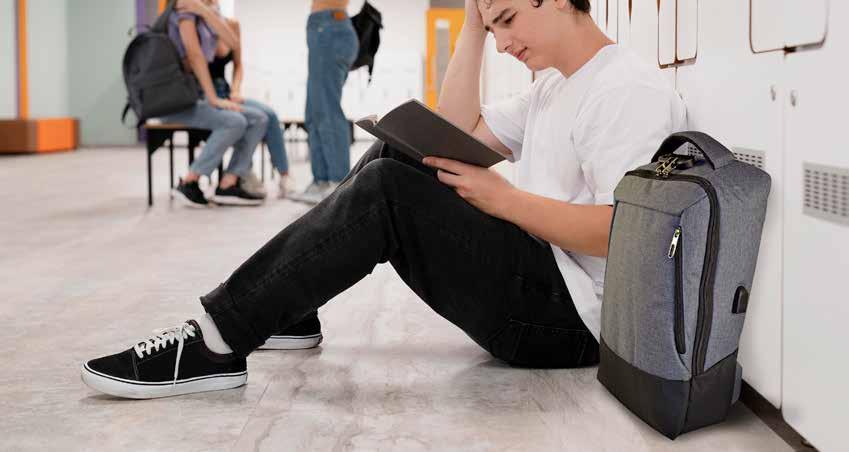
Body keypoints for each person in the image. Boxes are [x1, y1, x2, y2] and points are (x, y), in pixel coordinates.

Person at [81, 0, 687, 399]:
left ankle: (217, 341)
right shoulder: (554, 85)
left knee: (387, 192)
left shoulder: (625, 89)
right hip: (544, 277)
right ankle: (287, 309)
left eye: (506, 20)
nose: (503, 43)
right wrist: (472, 25)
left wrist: (502, 200)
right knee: (403, 152)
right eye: (494, 27)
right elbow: (453, 135)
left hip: (571, 323)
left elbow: (623, 234)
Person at [165, 0, 268, 207]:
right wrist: (213, 99)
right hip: (178, 100)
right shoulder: (184, 9)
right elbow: (195, 56)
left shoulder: (203, 13)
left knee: (259, 118)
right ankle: (189, 182)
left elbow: (233, 43)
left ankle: (228, 184)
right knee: (235, 121)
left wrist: (206, 11)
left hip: (198, 96)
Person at [206, 0, 296, 199]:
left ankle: (284, 175)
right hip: (206, 94)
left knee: (270, 114)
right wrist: (209, 18)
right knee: (252, 119)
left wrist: (235, 90)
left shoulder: (232, 25)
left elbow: (238, 65)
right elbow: (217, 52)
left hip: (226, 91)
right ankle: (242, 171)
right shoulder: (198, 26)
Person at [288, 0, 359, 205]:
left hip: (329, 28)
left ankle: (337, 183)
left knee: (328, 112)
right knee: (314, 114)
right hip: (323, 29)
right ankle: (321, 180)